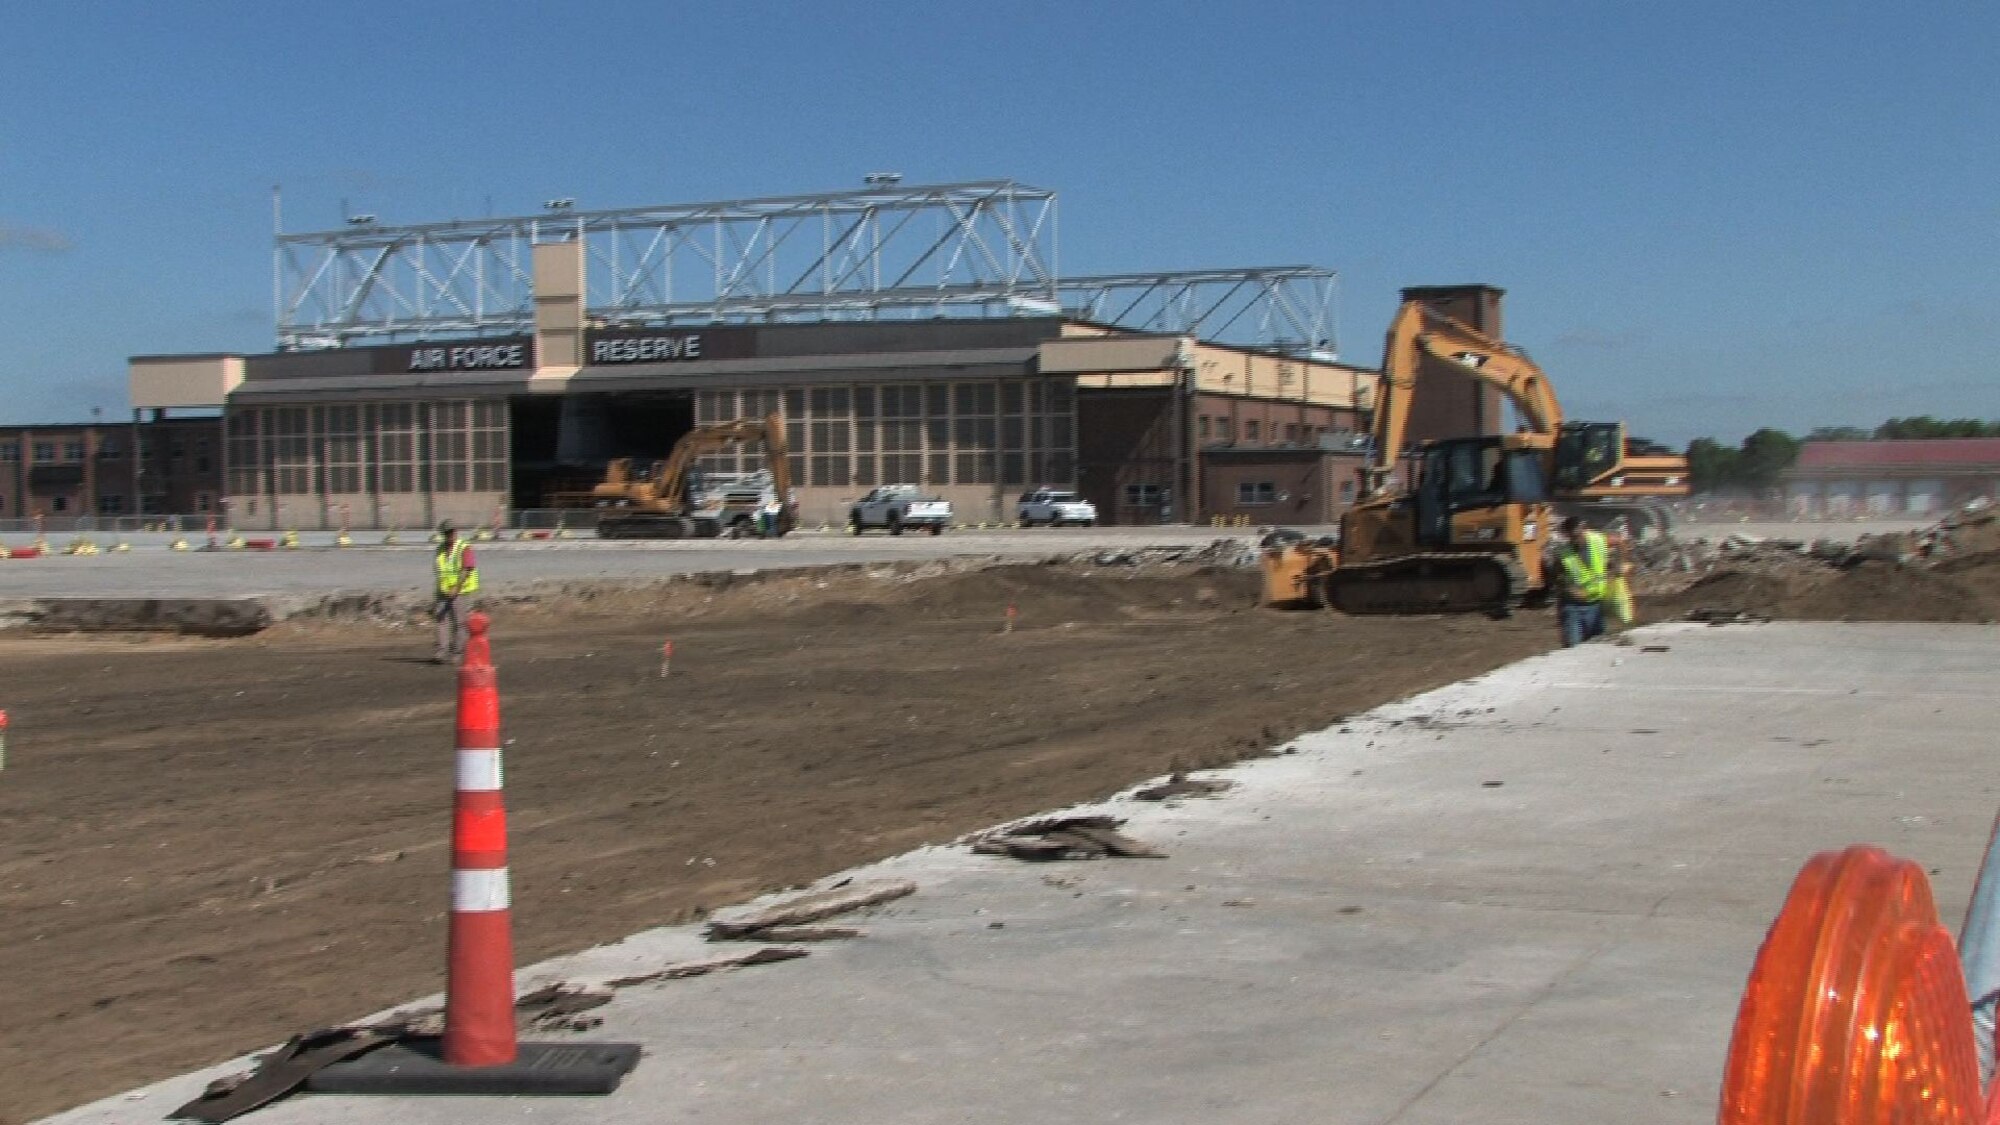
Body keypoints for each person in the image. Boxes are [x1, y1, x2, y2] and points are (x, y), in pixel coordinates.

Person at [1551, 515, 1610, 647]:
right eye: (1571, 537)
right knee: (1573, 649)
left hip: (1596, 604)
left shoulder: (1598, 540)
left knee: (1598, 647)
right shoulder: (1563, 553)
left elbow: (1621, 540)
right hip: (1573, 607)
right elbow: (1555, 577)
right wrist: (1569, 589)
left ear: (1583, 529)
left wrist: (1622, 564)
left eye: (1577, 536)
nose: (1575, 540)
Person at [432, 520, 479, 664]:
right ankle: (442, 651)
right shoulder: (440, 549)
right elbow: (440, 572)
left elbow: (467, 569)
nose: (450, 534)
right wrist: (439, 592)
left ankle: (457, 653)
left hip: (461, 591)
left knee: (460, 623)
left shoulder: (464, 547)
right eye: (447, 532)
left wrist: (456, 588)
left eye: (451, 532)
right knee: (441, 620)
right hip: (443, 591)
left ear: (455, 531)